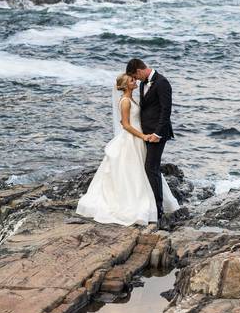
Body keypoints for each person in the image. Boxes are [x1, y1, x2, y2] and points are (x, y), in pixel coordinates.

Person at [76, 73, 179, 226]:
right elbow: (125, 124)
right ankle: (135, 203)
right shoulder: (125, 101)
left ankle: (154, 203)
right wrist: (142, 136)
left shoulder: (132, 99)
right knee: (132, 171)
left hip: (138, 138)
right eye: (132, 80)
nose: (135, 81)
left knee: (145, 169)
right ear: (125, 85)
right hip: (132, 138)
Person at [126, 58, 175, 221]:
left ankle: (158, 208)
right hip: (145, 134)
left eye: (136, 76)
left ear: (139, 71)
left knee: (151, 168)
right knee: (150, 167)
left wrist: (158, 134)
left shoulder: (162, 83)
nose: (137, 79)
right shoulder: (142, 84)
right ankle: (151, 203)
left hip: (157, 134)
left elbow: (165, 111)